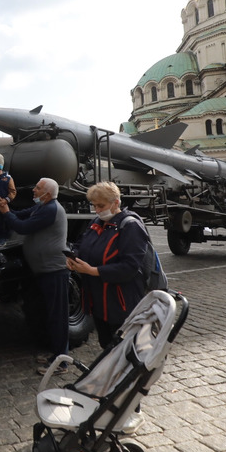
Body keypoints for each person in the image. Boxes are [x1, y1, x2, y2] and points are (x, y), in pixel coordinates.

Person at [65, 181, 149, 432]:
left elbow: (130, 266)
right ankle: (111, 399)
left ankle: (132, 409)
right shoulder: (98, 222)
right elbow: (83, 245)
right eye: (93, 205)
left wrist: (93, 271)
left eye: (100, 205)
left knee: (126, 358)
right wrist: (74, 257)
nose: (96, 209)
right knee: (108, 350)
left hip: (122, 303)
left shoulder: (130, 226)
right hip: (100, 302)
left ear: (116, 203)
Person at [0, 177, 69, 375]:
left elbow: (22, 227)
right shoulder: (41, 207)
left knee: (57, 317)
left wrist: (7, 213)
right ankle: (55, 354)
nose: (33, 190)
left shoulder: (51, 209)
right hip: (44, 270)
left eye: (38, 187)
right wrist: (5, 208)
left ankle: (62, 362)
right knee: (48, 314)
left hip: (54, 270)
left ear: (48, 193)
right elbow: (19, 215)